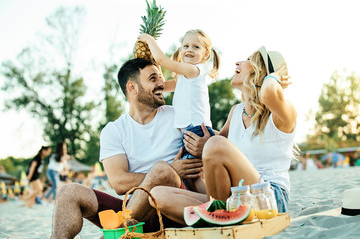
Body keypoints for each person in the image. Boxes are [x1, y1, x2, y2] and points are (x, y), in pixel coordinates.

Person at [49, 58, 206, 239]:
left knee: (162, 170)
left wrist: (202, 146)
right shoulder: (114, 130)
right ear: (132, 87)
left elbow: (209, 135)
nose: (161, 83)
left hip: (172, 206)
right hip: (135, 212)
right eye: (153, 78)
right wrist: (170, 170)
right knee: (68, 193)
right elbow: (118, 182)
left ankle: (116, 234)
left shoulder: (177, 115)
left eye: (161, 78)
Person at [148, 46, 297, 225]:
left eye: (248, 59)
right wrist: (202, 143)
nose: (238, 62)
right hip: (234, 197)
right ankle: (220, 215)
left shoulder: (283, 114)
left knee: (215, 144)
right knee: (157, 195)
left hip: (269, 197)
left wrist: (274, 77)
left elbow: (268, 93)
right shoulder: (236, 111)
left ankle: (219, 217)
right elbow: (219, 150)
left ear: (261, 72)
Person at [137, 29, 220, 190]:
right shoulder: (185, 77)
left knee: (195, 177)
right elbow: (164, 86)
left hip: (195, 130)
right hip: (189, 131)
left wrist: (149, 40)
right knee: (190, 178)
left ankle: (214, 204)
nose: (189, 49)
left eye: (196, 47)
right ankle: (205, 205)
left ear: (206, 54)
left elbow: (161, 59)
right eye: (186, 46)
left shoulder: (195, 70)